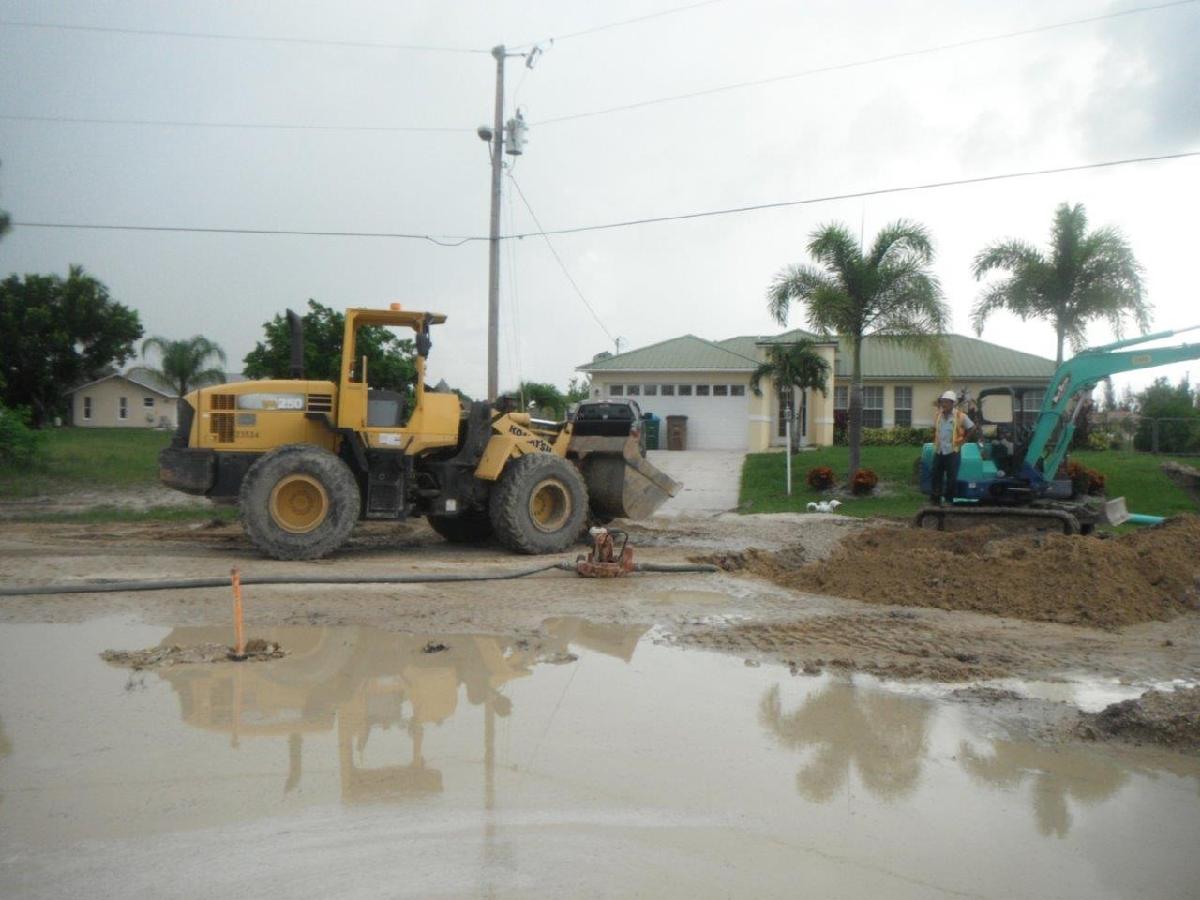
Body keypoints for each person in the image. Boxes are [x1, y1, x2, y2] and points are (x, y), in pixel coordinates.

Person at [930, 390, 973, 505]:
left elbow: (971, 428)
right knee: (936, 475)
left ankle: (949, 500)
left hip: (952, 451)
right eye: (942, 402)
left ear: (952, 403)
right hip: (939, 451)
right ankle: (935, 499)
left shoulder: (960, 416)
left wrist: (964, 441)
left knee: (951, 478)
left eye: (946, 402)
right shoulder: (938, 415)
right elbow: (934, 428)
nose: (944, 405)